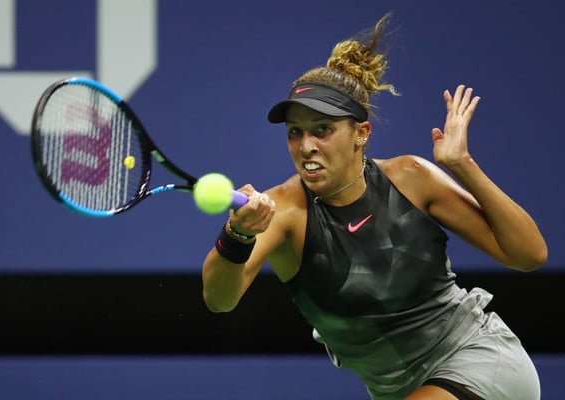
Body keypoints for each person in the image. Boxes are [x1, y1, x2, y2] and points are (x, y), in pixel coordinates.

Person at [202, 13, 547, 400]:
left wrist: (462, 165)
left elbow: (528, 254)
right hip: (397, 390)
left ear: (361, 134)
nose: (306, 146)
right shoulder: (284, 211)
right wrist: (239, 233)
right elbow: (219, 300)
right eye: (295, 133)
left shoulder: (411, 178)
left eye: (322, 129)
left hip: (478, 359)